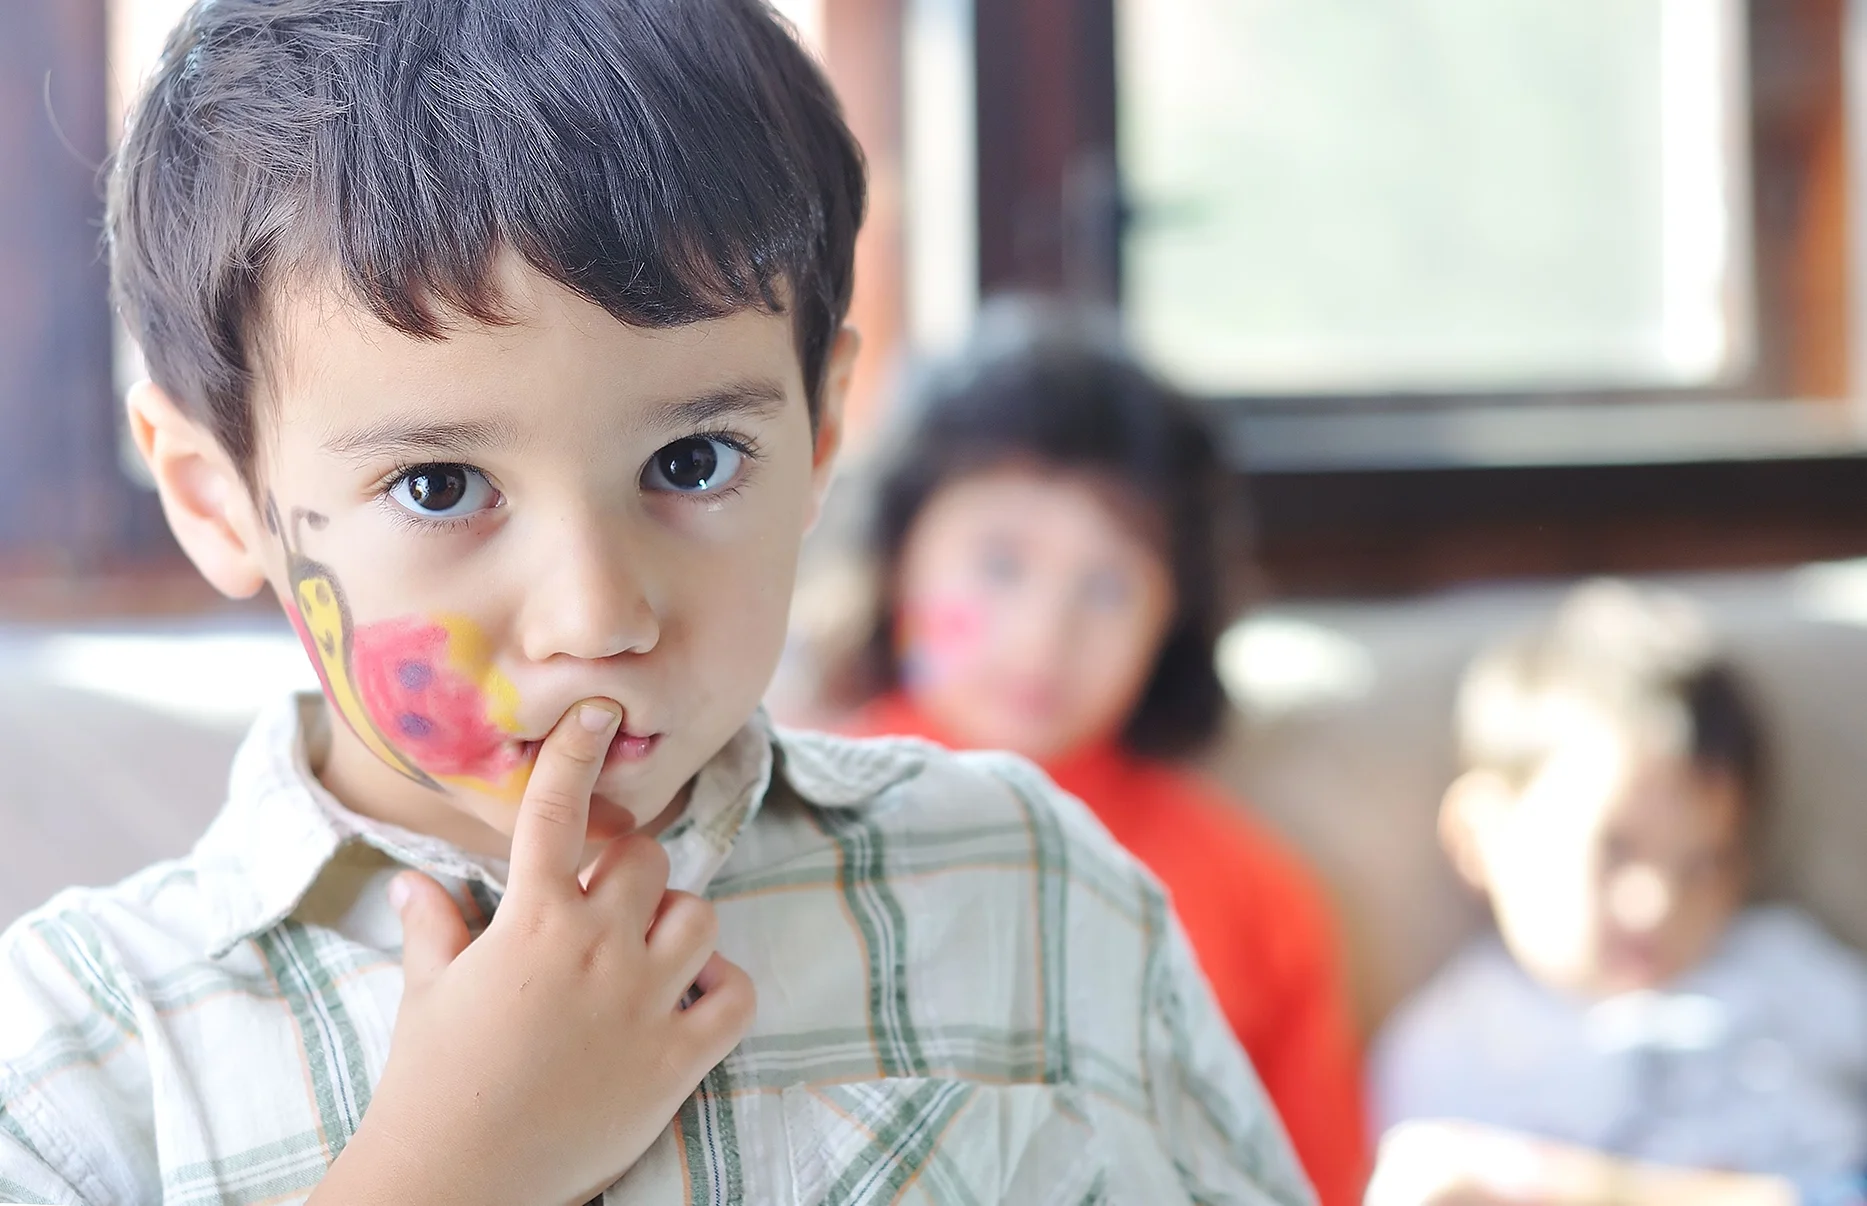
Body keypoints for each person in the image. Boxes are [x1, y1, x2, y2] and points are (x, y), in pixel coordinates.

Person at [0, 3, 1312, 1203]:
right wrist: (449, 1173)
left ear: (822, 430)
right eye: (440, 485)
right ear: (217, 498)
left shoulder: (1030, 887)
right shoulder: (76, 1055)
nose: (598, 615)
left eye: (691, 462)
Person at [839, 306, 1370, 1206]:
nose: (1043, 637)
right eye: (999, 564)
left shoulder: (1256, 892)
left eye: (1109, 586)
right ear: (901, 556)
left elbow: (1318, 1181)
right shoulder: (781, 816)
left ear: (1175, 619)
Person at [1368, 581, 1867, 1206]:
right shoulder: (1450, 1046)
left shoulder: (1789, 970)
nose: (1657, 903)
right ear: (1480, 835)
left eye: (1705, 864)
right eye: (1615, 850)